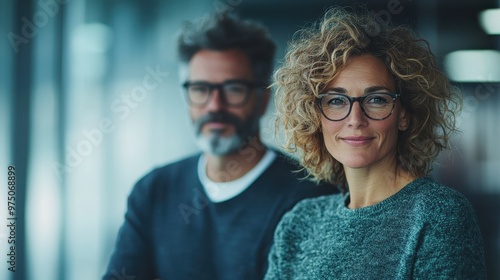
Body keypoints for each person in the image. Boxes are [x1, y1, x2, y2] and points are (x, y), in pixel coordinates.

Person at [102, 11, 336, 280]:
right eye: (200, 89)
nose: (214, 105)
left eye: (233, 89)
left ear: (262, 99)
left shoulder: (309, 199)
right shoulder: (154, 191)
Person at [265, 7, 487, 279]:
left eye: (377, 99)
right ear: (315, 116)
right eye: (336, 101)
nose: (355, 119)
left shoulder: (438, 215)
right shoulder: (299, 223)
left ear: (403, 115)